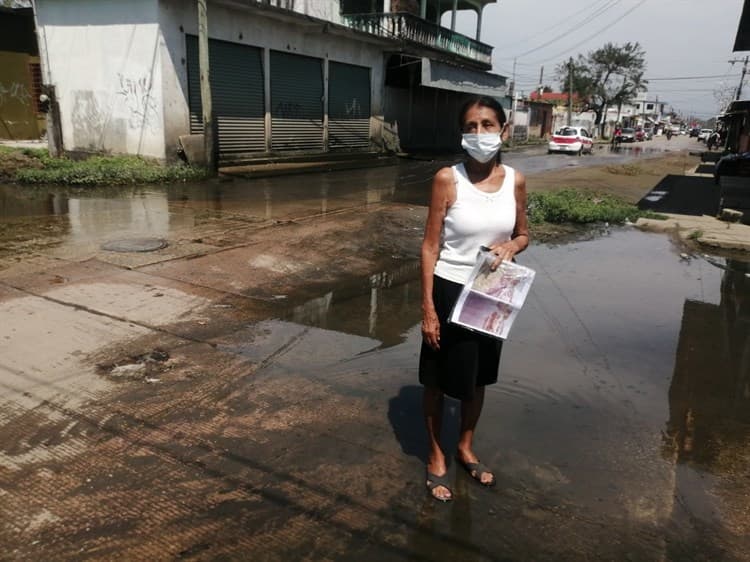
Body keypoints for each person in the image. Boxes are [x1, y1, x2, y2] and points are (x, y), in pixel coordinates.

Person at [419, 95, 530, 502]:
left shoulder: (516, 180)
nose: (479, 133)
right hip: (449, 288)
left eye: (487, 124)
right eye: (470, 126)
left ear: (503, 130)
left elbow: (523, 232)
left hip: (491, 292)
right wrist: (429, 308)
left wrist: (512, 248)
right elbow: (430, 246)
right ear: (462, 133)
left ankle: (465, 447)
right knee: (436, 379)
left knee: (478, 377)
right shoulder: (448, 179)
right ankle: (435, 454)